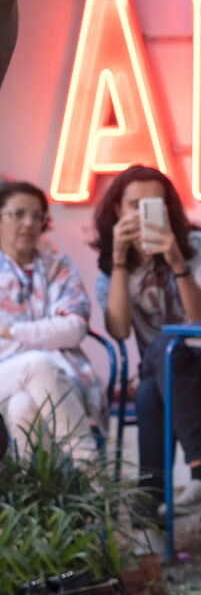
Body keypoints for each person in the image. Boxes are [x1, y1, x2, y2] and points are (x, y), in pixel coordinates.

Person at [92, 165, 201, 519]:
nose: (142, 214)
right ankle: (182, 494)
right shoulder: (111, 270)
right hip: (171, 386)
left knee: (168, 346)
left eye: (154, 205)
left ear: (168, 209)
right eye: (135, 205)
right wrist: (119, 261)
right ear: (117, 209)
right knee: (149, 391)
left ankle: (164, 504)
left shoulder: (199, 246)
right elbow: (118, 330)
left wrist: (177, 261)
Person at [0, 181, 101, 462]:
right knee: (38, 363)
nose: (29, 223)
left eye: (37, 216)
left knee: (23, 405)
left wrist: (10, 331)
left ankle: (32, 489)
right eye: (18, 214)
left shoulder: (58, 266)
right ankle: (91, 473)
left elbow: (74, 329)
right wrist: (47, 336)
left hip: (57, 378)